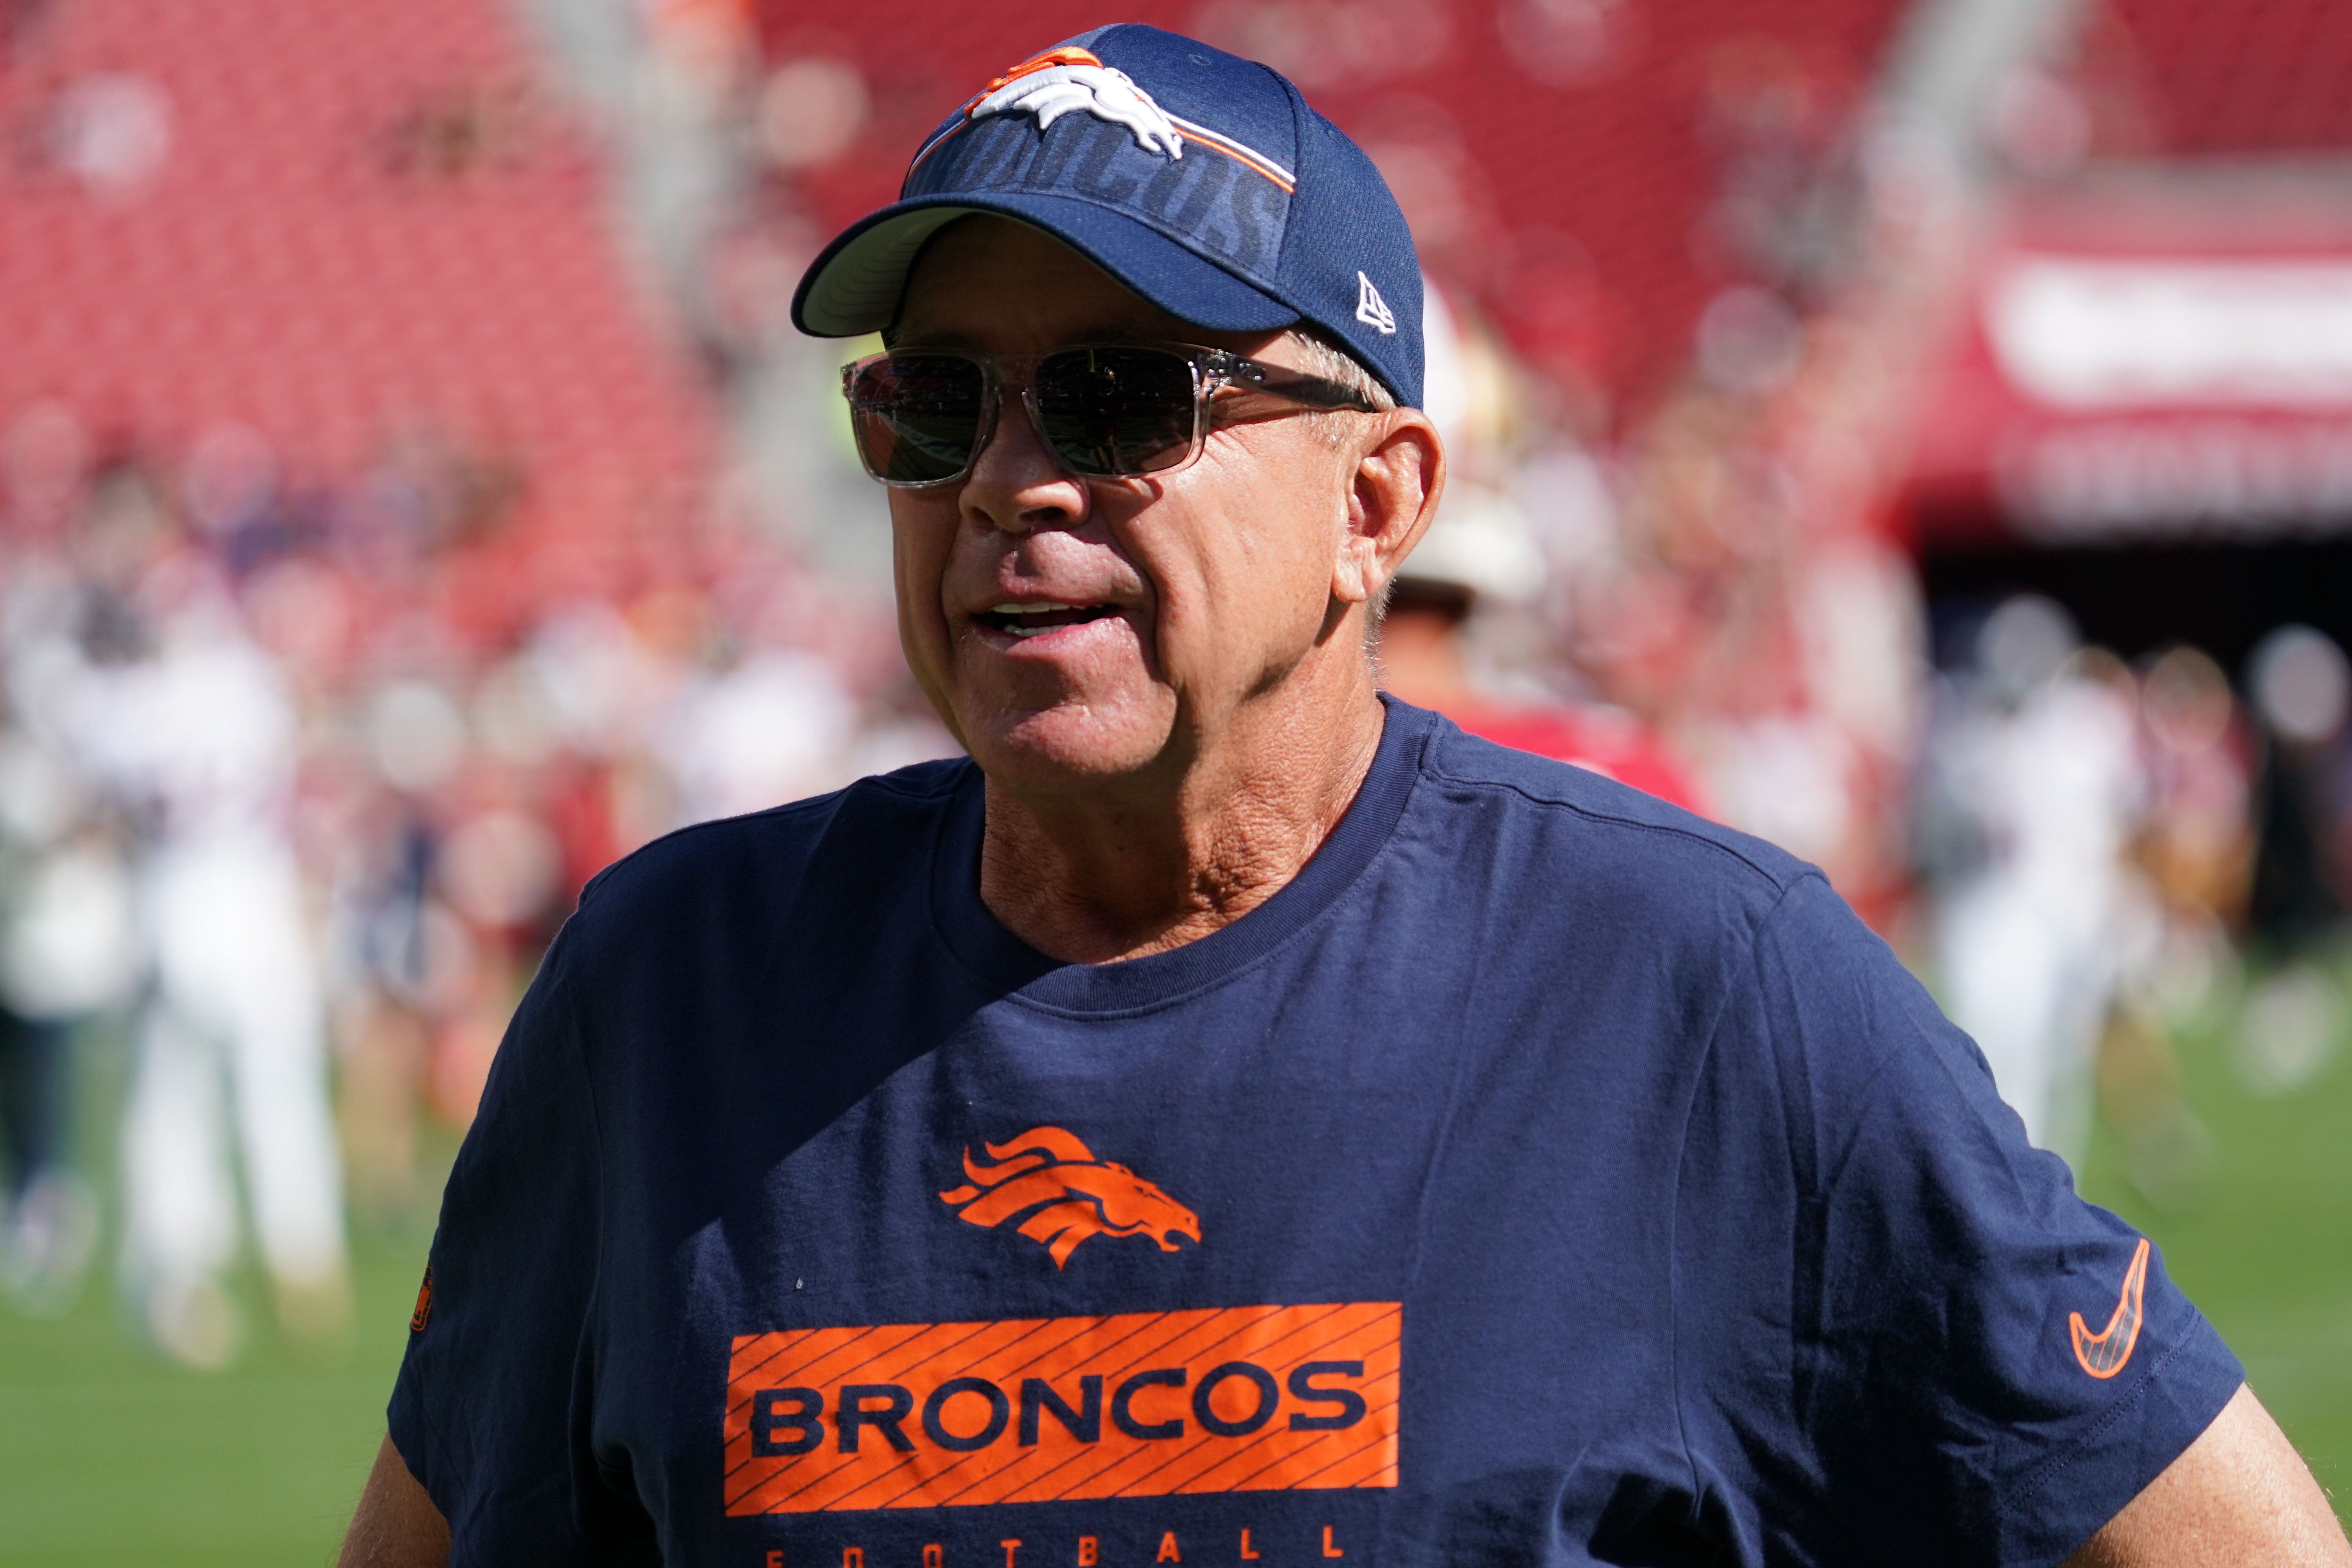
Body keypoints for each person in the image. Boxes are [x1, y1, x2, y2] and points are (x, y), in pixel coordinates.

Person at [344, 25, 2349, 1567]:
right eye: (933, 401)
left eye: (1123, 395)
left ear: (1374, 504)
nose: (1011, 480)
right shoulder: (668, 986)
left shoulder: (1702, 984)